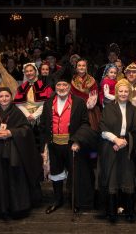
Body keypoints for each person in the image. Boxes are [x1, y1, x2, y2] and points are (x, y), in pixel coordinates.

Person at [39, 67, 97, 214]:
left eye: (64, 85)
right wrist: (44, 146)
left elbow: (85, 123)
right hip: (54, 145)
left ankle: (75, 201)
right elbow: (44, 125)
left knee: (75, 175)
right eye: (59, 85)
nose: (62, 88)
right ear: (55, 87)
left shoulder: (79, 102)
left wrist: (77, 141)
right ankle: (57, 200)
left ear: (69, 86)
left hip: (72, 145)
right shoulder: (48, 102)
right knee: (56, 174)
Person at [0, 87, 41, 218]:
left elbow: (26, 129)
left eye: (7, 96)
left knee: (14, 178)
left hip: (14, 151)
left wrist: (11, 132)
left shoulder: (17, 113)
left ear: (11, 97)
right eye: (1, 96)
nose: (4, 99)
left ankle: (16, 207)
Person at [98, 79, 136, 223]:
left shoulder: (134, 109)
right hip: (110, 147)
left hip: (128, 149)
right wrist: (115, 140)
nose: (124, 94)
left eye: (126, 91)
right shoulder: (108, 108)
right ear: (116, 92)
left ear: (130, 93)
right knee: (112, 177)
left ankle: (129, 211)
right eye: (121, 91)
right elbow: (102, 128)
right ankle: (111, 212)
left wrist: (124, 142)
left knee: (127, 177)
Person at [71, 59, 100, 131]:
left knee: (91, 128)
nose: (81, 67)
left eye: (83, 65)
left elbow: (94, 94)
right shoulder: (72, 80)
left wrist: (88, 106)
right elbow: (70, 94)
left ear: (86, 67)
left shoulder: (91, 80)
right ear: (76, 67)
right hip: (76, 107)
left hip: (89, 108)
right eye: (79, 65)